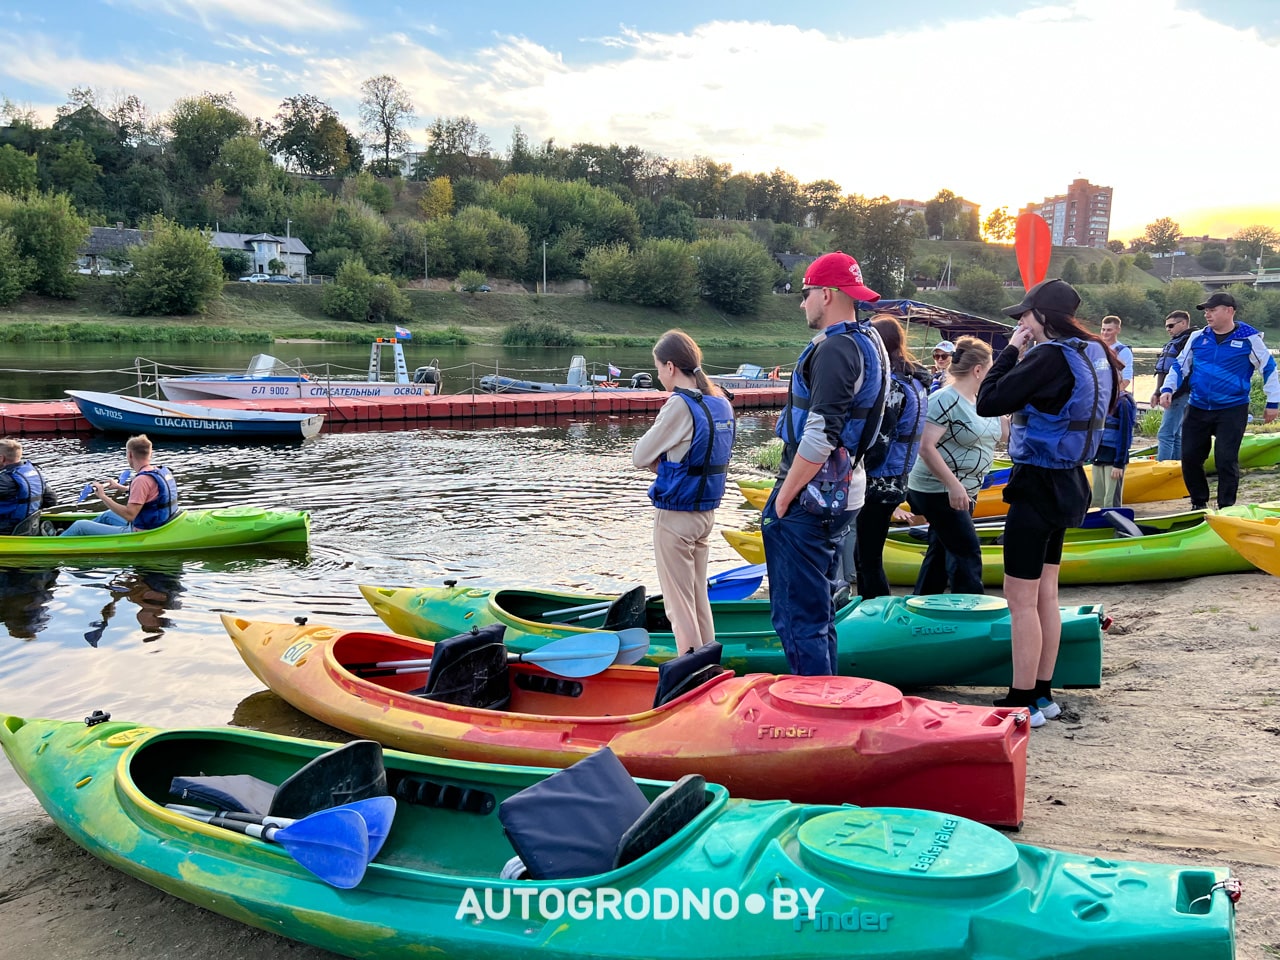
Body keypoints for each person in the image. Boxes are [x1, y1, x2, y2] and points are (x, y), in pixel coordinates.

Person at [976, 279, 1122, 727]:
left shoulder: (1048, 357)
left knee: (1019, 598)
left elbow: (987, 401)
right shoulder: (1094, 353)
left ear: (1044, 317)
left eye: (1024, 315)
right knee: (1045, 595)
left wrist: (1010, 351)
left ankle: (1020, 701)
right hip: (1070, 482)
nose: (1019, 321)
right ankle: (1043, 695)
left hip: (1038, 484)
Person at [763, 251, 888, 676]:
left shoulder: (836, 349)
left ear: (828, 294)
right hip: (844, 489)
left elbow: (820, 434)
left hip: (813, 498)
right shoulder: (868, 340)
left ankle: (814, 711)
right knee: (817, 612)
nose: (803, 303)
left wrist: (783, 498)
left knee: (799, 618)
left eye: (806, 293)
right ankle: (828, 698)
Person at [632, 331, 735, 651]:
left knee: (677, 605)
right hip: (706, 513)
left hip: (676, 517)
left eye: (658, 368)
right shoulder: (720, 402)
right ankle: (709, 661)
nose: (658, 375)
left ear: (671, 366)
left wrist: (662, 464)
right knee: (697, 595)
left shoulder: (679, 404)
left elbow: (639, 456)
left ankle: (691, 670)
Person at [1160, 292, 1280, 509]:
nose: (1207, 314)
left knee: (1226, 459)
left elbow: (1269, 368)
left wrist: (1273, 402)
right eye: (1206, 310)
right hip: (1197, 406)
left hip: (1232, 408)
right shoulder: (1198, 337)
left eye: (1212, 310)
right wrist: (1167, 388)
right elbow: (1179, 365)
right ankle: (1199, 502)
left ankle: (1226, 506)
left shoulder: (1249, 338)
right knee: (1189, 458)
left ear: (1229, 311)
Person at [906, 337, 1005, 595]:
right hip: (938, 489)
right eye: (991, 367)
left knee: (940, 550)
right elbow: (925, 446)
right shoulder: (943, 399)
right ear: (978, 370)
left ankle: (924, 602)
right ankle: (971, 609)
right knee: (966, 552)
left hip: (966, 490)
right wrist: (953, 485)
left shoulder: (980, 400)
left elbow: (1004, 435)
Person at [853, 316, 930, 599]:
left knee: (867, 557)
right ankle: (872, 607)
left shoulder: (894, 388)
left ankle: (875, 609)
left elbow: (881, 439)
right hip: (899, 477)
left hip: (880, 481)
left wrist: (855, 469)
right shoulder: (916, 382)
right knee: (866, 553)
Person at [60, 434, 178, 537]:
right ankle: (79, 535)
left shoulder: (141, 480)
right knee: (107, 515)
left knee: (80, 525)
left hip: (140, 531)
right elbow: (150, 495)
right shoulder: (158, 471)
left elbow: (129, 515)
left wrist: (103, 496)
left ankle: (60, 540)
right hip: (159, 521)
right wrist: (119, 487)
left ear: (130, 455)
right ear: (150, 453)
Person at [1151, 309, 1195, 460]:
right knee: (1175, 434)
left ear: (1183, 323)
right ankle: (1176, 466)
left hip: (1180, 393)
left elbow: (1184, 369)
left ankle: (1163, 467)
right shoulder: (1176, 341)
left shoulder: (1189, 342)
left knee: (1166, 434)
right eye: (1166, 327)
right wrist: (1158, 391)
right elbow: (1163, 370)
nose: (1168, 330)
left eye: (1171, 326)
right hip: (1171, 392)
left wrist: (1174, 392)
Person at [1090, 387, 1137, 508]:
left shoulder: (1123, 403)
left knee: (1110, 501)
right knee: (1097, 499)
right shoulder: (1100, 400)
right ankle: (1097, 525)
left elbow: (1125, 434)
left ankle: (1113, 524)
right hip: (1098, 456)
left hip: (1114, 459)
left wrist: (1119, 464)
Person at [0, 438, 55, 535]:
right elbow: (51, 500)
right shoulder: (34, 473)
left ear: (1, 458)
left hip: (6, 529)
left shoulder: (4, 480)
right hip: (30, 526)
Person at [1100, 315, 1133, 392]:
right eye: (1103, 329)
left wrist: (1112, 395)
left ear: (1118, 330)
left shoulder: (1124, 351)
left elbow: (1126, 379)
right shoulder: (1095, 347)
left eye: (1109, 330)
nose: (1105, 333)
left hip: (1113, 392)